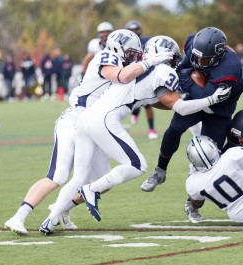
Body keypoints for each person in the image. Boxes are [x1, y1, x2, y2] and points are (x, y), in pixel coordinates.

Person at [39, 35, 231, 234]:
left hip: (85, 119)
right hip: (104, 120)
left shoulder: (138, 67)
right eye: (173, 57)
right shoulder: (162, 71)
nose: (175, 62)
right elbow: (180, 107)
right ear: (163, 54)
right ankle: (91, 190)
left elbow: (159, 101)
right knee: (138, 165)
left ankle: (50, 221)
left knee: (79, 177)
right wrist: (211, 100)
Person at [5, 30, 174, 236]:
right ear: (116, 48)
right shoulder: (107, 57)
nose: (133, 58)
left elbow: (147, 96)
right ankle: (18, 216)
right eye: (130, 53)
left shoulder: (127, 65)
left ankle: (62, 210)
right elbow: (121, 76)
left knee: (103, 180)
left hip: (94, 125)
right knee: (58, 175)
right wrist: (149, 63)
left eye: (135, 54)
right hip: (75, 120)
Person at [141, 27, 243, 192]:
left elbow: (205, 96)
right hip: (202, 95)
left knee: (210, 157)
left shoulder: (230, 68)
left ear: (217, 57)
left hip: (219, 107)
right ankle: (160, 171)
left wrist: (185, 78)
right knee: (173, 130)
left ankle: (194, 199)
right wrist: (185, 73)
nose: (197, 62)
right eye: (195, 57)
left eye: (203, 61)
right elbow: (184, 66)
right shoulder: (193, 42)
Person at [125, 20, 158, 139]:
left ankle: (152, 130)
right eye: (131, 30)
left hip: (145, 74)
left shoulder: (147, 41)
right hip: (130, 75)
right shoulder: (125, 43)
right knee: (130, 101)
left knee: (147, 103)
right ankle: (135, 113)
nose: (134, 32)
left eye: (135, 30)